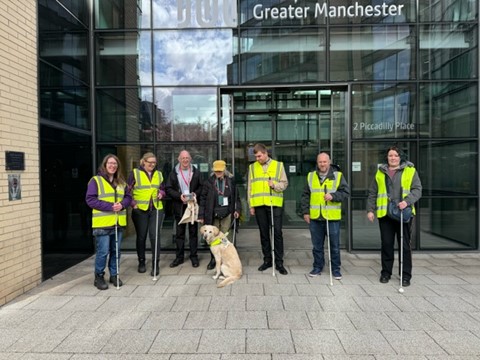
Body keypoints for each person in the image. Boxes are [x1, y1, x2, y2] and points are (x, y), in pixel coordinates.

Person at [367, 146, 422, 287]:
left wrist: (407, 201)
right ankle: (386, 273)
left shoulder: (410, 171)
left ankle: (405, 275)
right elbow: (373, 193)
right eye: (390, 155)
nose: (393, 158)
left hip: (404, 213)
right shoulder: (380, 173)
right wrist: (370, 210)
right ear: (387, 157)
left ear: (400, 157)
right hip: (385, 214)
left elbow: (417, 190)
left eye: (396, 155)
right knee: (386, 244)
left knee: (404, 245)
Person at [301, 152, 350, 279]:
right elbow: (305, 195)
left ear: (329, 162)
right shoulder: (311, 176)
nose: (322, 164)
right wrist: (305, 212)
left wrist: (333, 196)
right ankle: (317, 267)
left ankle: (335, 269)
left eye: (324, 162)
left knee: (334, 246)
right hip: (315, 217)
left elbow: (345, 192)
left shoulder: (338, 176)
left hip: (332, 217)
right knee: (317, 246)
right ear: (317, 163)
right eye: (320, 162)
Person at [86, 154, 131, 290]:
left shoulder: (122, 182)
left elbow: (128, 197)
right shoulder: (96, 181)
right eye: (110, 163)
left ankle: (114, 275)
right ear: (105, 165)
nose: (112, 166)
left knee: (116, 251)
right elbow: (90, 200)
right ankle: (99, 276)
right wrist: (111, 207)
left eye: (115, 164)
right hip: (103, 223)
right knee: (103, 252)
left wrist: (122, 205)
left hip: (117, 223)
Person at [247, 143, 289, 275]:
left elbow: (285, 183)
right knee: (264, 233)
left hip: (274, 203)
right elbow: (250, 187)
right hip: (259, 205)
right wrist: (251, 205)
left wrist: (275, 185)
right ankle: (267, 260)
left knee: (277, 233)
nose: (257, 158)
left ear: (265, 153)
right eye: (256, 156)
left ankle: (279, 262)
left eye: (259, 156)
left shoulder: (278, 165)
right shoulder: (252, 167)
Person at [198, 160, 241, 270]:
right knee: (213, 239)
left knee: (226, 239)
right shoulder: (208, 182)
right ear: (213, 170)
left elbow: (236, 197)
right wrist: (201, 215)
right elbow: (202, 199)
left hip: (227, 214)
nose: (218, 173)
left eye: (220, 171)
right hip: (213, 214)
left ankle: (228, 259)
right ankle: (213, 259)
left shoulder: (231, 181)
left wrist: (237, 210)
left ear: (224, 170)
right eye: (216, 171)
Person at [127, 152, 165, 276]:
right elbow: (127, 191)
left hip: (156, 209)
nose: (152, 165)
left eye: (154, 163)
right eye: (150, 162)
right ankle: (141, 262)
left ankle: (155, 264)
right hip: (140, 210)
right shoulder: (135, 173)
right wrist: (133, 204)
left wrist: (161, 193)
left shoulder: (158, 174)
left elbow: (163, 188)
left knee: (155, 236)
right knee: (141, 237)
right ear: (143, 162)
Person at [166, 150, 203, 268]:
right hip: (179, 206)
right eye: (183, 158)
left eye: (187, 158)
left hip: (192, 206)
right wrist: (179, 196)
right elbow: (168, 188)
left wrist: (195, 194)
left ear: (190, 159)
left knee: (193, 233)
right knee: (179, 234)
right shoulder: (174, 173)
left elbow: (202, 186)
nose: (185, 160)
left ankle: (194, 257)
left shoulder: (196, 172)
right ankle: (179, 257)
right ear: (179, 159)